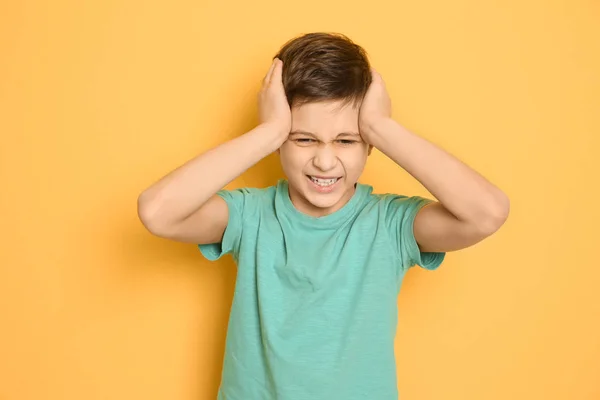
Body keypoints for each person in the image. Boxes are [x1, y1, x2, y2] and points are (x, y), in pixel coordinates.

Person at [137, 32, 510, 400]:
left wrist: (382, 127)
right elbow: (158, 213)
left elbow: (486, 214)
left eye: (346, 141)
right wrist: (267, 132)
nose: (325, 161)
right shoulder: (250, 215)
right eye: (303, 139)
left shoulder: (389, 224)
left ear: (370, 146)